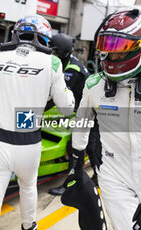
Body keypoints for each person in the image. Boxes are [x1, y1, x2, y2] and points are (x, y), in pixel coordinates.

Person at [64, 7, 141, 230]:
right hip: (112, 174)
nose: (113, 56)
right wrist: (75, 165)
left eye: (121, 49)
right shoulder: (94, 85)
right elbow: (81, 125)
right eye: (108, 48)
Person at [0, 15, 74, 230]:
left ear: (16, 34)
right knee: (28, 186)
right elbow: (67, 108)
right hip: (29, 144)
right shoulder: (53, 62)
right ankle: (29, 226)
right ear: (46, 38)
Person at [47, 33, 98, 196]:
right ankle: (98, 177)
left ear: (63, 51)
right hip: (83, 108)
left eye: (54, 51)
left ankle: (72, 184)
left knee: (81, 146)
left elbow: (56, 97)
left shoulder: (72, 70)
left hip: (92, 110)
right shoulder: (63, 64)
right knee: (89, 146)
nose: (51, 53)